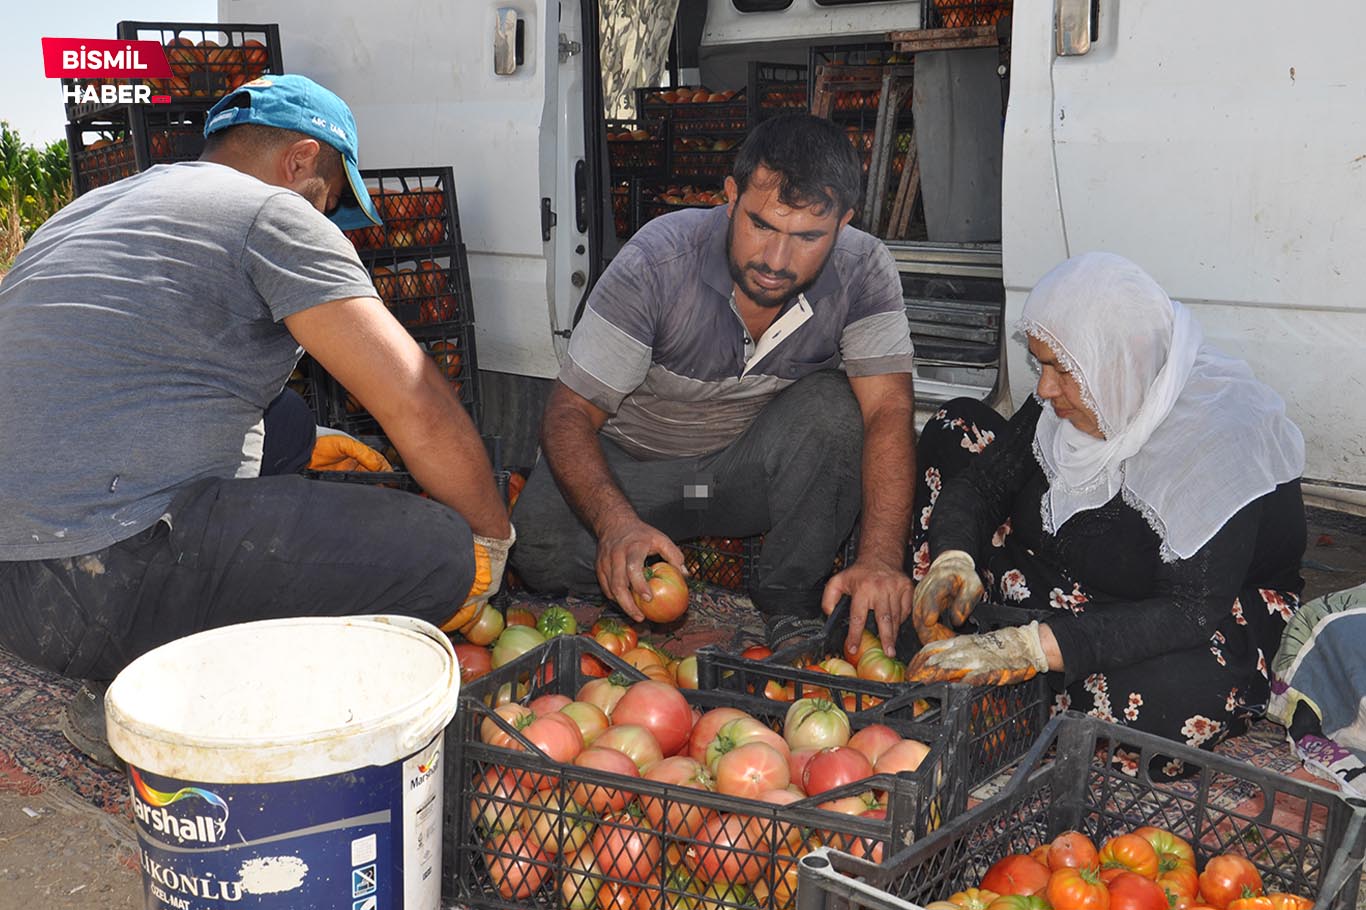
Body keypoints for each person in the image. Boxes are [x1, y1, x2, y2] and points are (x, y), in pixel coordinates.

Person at [0, 75, 511, 766]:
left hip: (14, 585)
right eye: (329, 200)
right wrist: (490, 539)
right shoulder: (272, 212)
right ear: (299, 162)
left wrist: (302, 445)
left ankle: (148, 653)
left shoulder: (94, 207)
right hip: (110, 586)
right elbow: (417, 403)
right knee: (442, 554)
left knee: (292, 422)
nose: (326, 221)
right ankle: (183, 704)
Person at [510, 113, 918, 653]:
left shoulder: (864, 269)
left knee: (838, 407)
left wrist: (881, 559)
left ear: (843, 225)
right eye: (761, 225)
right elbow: (567, 415)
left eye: (807, 237)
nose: (776, 259)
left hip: (732, 481)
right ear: (729, 197)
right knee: (538, 547)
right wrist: (616, 525)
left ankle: (790, 599)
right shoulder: (658, 262)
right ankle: (647, 550)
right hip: (640, 476)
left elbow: (888, 410)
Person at [905, 251, 1306, 773]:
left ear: (1118, 363)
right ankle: (988, 648)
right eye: (1040, 365)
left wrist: (1033, 647)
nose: (1044, 389)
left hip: (1189, 612)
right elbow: (983, 486)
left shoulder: (1222, 439)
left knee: (1170, 699)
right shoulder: (1075, 398)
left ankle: (1021, 669)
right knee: (954, 428)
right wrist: (952, 556)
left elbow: (1186, 611)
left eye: (1059, 370)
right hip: (1071, 580)